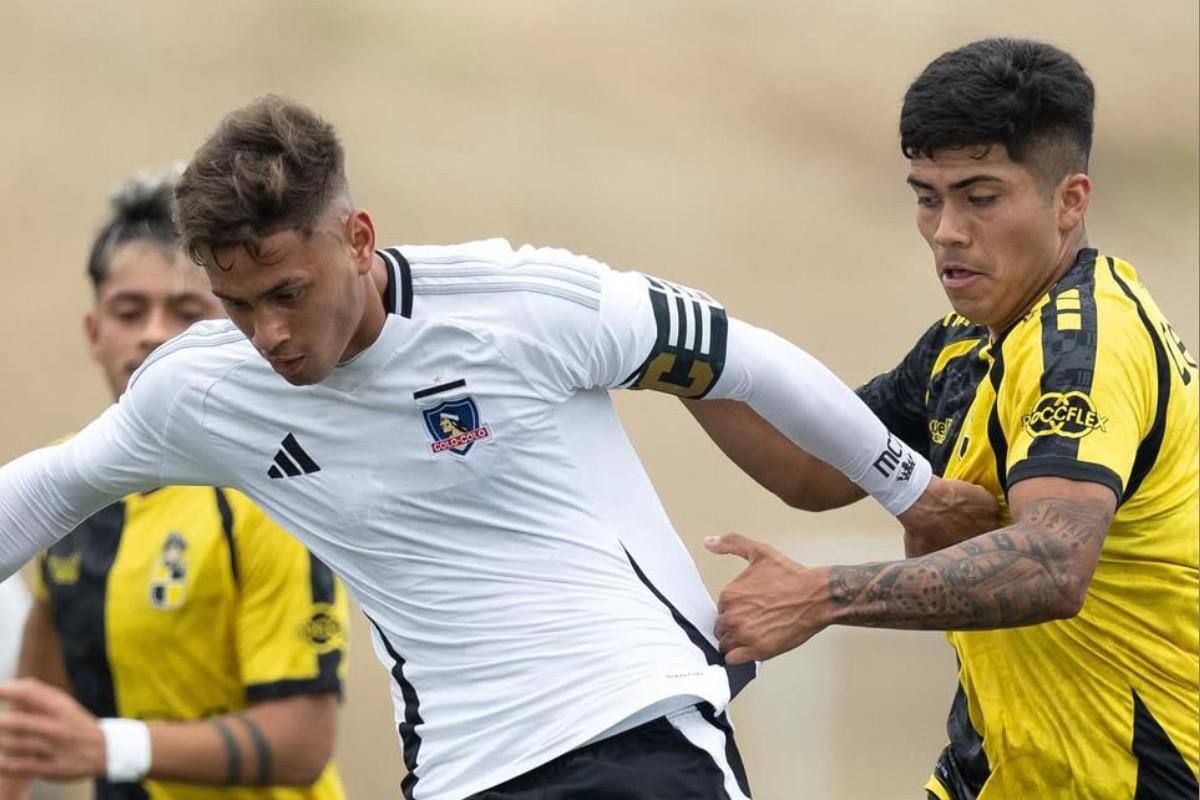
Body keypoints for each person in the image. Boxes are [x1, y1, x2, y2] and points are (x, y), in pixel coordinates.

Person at [0, 97, 996, 800]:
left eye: (287, 293)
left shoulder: (522, 302)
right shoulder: (203, 388)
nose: (267, 334)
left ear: (356, 237)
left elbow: (743, 357)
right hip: (462, 773)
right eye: (238, 304)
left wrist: (906, 487)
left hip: (639, 729)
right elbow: (50, 488)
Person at [693, 37, 1198, 799]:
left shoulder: (1088, 346)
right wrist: (679, 360)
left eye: (980, 197)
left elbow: (1055, 565)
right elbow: (816, 470)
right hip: (991, 770)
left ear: (1071, 200)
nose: (946, 231)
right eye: (927, 197)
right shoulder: (962, 344)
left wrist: (822, 594)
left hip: (1135, 780)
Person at [0, 168, 350, 800]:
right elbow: (41, 744)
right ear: (94, 333)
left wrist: (110, 745)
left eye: (186, 311)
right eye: (129, 311)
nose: (154, 334)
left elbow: (304, 741)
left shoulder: (269, 489)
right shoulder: (56, 494)